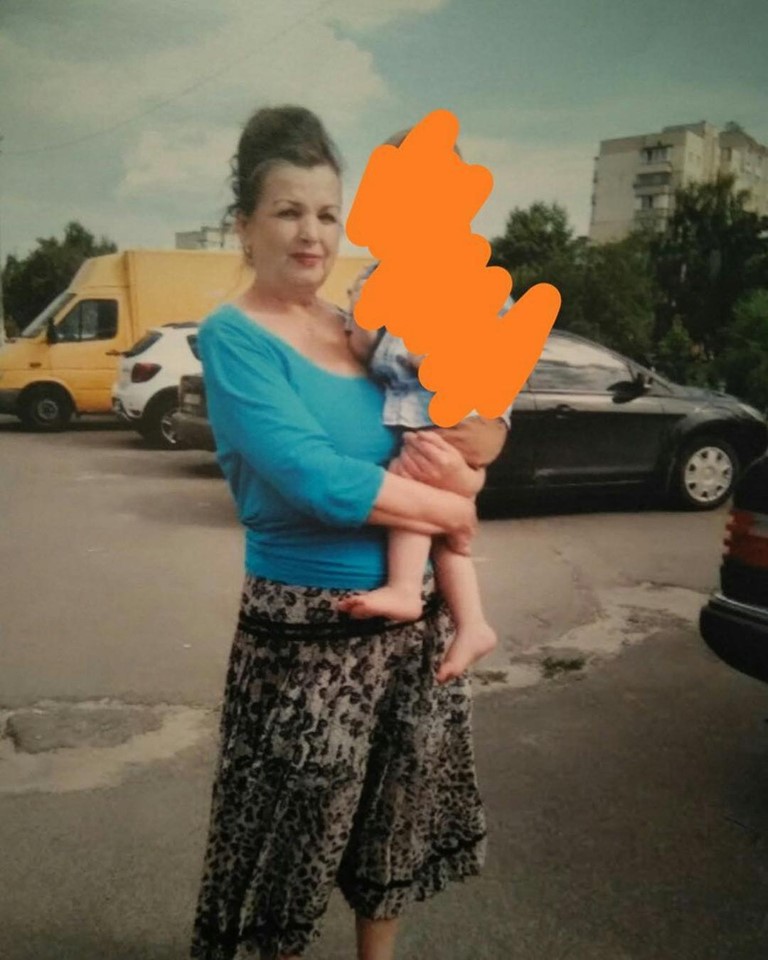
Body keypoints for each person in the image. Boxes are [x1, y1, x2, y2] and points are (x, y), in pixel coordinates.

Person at [189, 105, 488, 960]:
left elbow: (447, 432)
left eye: (327, 212)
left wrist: (471, 473)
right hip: (306, 635)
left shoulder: (359, 326)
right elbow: (313, 478)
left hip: (411, 626)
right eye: (288, 211)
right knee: (281, 849)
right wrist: (456, 513)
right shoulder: (234, 336)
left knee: (392, 827)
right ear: (244, 226)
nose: (313, 234)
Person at [339, 250, 513, 683]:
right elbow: (364, 346)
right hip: (440, 414)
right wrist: (363, 312)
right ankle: (473, 624)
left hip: (459, 412)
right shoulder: (380, 277)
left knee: (408, 482)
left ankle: (405, 590)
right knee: (439, 529)